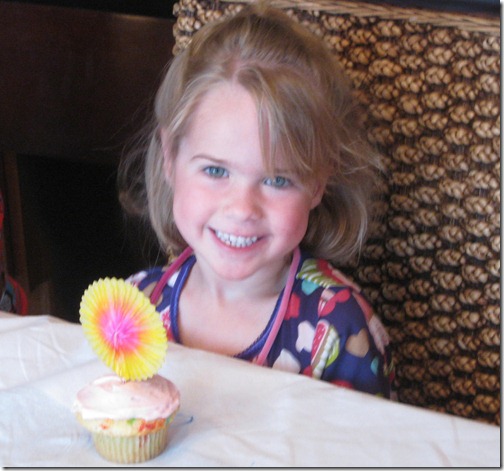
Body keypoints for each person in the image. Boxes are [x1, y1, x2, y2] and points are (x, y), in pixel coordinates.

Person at [119, 2, 394, 397]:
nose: (242, 209)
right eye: (216, 171)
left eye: (277, 180)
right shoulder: (135, 307)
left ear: (318, 183)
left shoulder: (339, 327)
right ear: (169, 157)